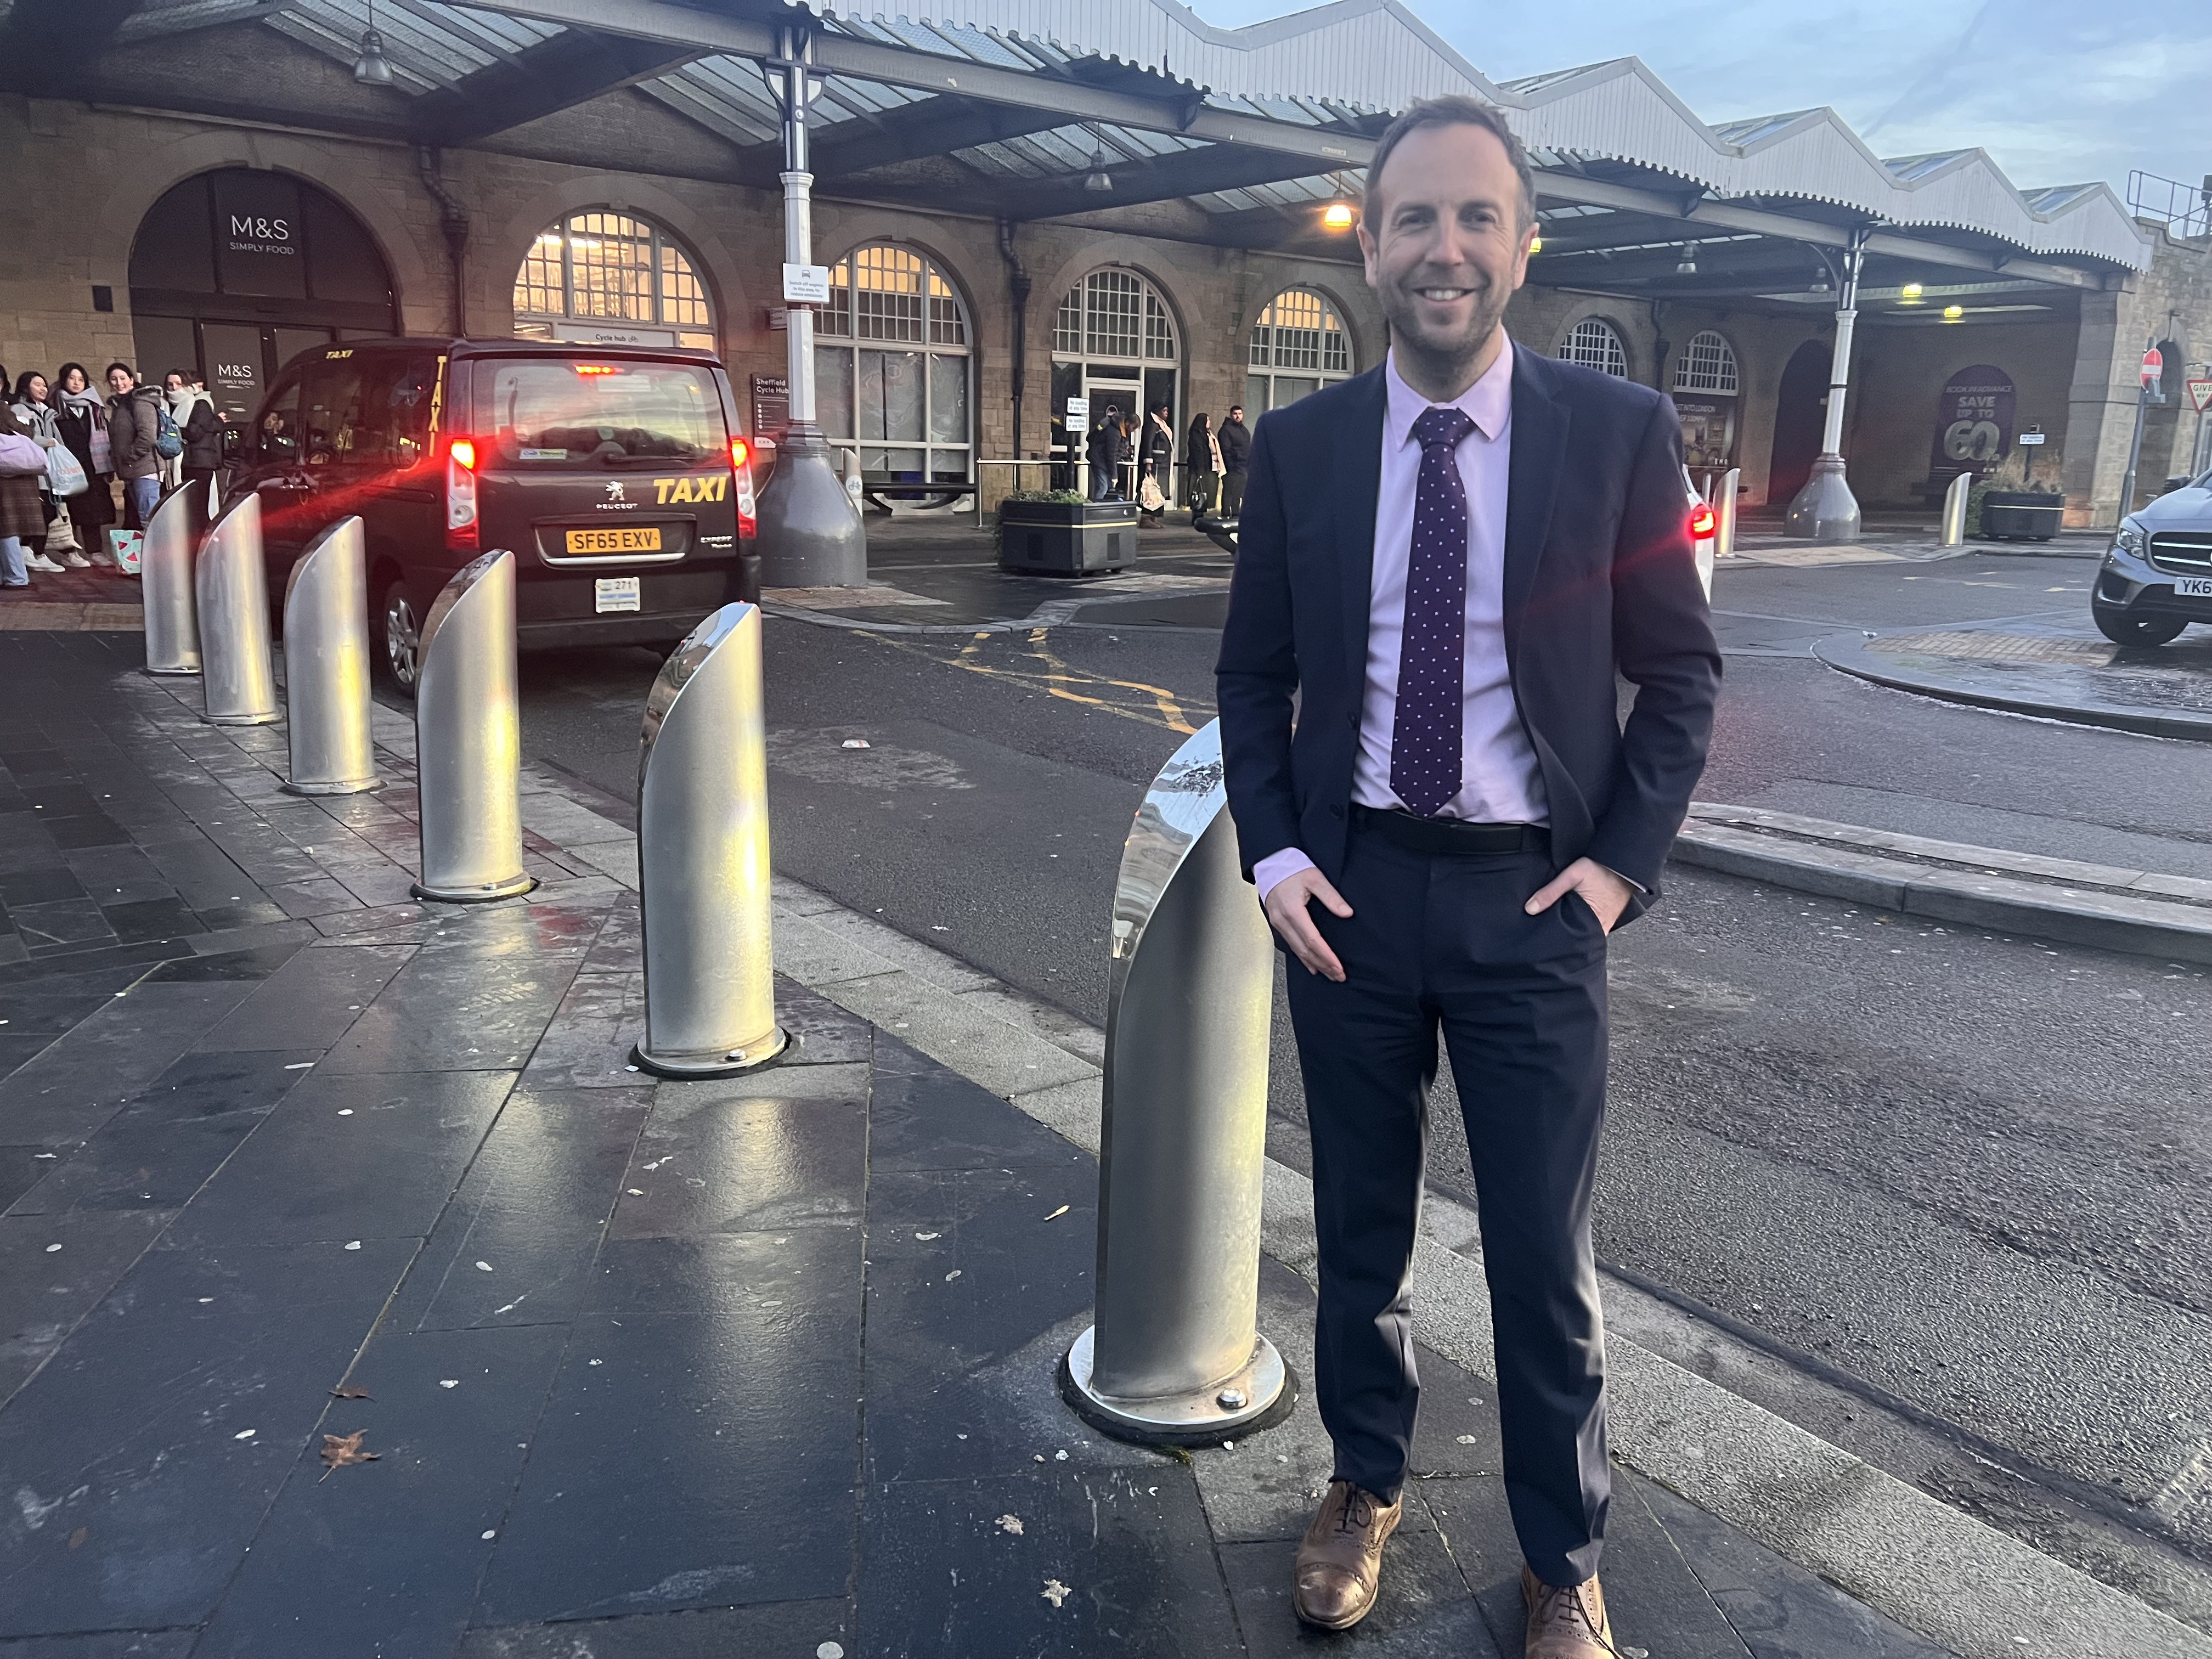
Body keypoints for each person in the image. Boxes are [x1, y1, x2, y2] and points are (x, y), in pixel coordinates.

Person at [1214, 96, 1720, 1657]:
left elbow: (1682, 676)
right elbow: (1254, 678)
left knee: (1538, 1261)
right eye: (1415, 219)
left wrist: (1618, 874)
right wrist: (1279, 852)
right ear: (1371, 247)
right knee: (1358, 1232)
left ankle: (1561, 1554)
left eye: (1476, 218)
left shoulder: (1616, 434)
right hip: (1354, 895)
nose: (1446, 249)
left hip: (1530, 906)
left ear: (1522, 245)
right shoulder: (1299, 449)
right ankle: (1364, 1483)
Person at [53, 362, 114, 564]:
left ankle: (95, 551)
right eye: (72, 378)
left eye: (81, 379)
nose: (77, 383)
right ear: (64, 380)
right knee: (68, 510)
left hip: (93, 465)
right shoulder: (55, 406)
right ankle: (69, 553)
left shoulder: (94, 407)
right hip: (67, 466)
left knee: (92, 509)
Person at [10, 371, 70, 573]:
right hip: (32, 469)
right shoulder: (18, 409)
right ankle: (31, 551)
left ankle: (34, 551)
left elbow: (58, 438)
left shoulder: (47, 411)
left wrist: (63, 454)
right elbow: (22, 435)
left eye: (44, 385)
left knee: (51, 510)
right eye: (37, 385)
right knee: (40, 511)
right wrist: (47, 443)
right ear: (26, 387)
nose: (43, 388)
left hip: (50, 470)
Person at [105, 363, 165, 532]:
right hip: (132, 471)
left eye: (123, 378)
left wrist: (128, 457)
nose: (119, 383)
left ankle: (159, 558)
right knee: (144, 519)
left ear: (132, 380)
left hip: (144, 470)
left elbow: (148, 437)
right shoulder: (120, 406)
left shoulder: (140, 402)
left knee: (149, 519)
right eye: (113, 379)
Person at [0, 396, 47, 591]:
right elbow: (24, 433)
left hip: (7, 478)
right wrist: (27, 424)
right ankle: (17, 577)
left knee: (5, 528)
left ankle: (10, 576)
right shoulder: (2, 409)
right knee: (8, 528)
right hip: (9, 481)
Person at [166, 368, 221, 502]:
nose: (174, 388)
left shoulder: (199, 403)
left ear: (187, 385)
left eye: (178, 384)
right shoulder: (170, 405)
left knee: (197, 504)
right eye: (170, 384)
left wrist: (173, 431)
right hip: (186, 461)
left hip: (199, 462)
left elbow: (195, 433)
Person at [1138, 399, 1175, 525]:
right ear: (1157, 411)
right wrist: (1148, 462)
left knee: (1160, 491)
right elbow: (1148, 443)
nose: (1166, 414)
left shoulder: (1162, 425)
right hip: (1156, 464)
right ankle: (1147, 517)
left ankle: (1155, 518)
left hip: (1163, 464)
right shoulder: (1152, 425)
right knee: (1152, 490)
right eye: (1164, 411)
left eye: (1167, 411)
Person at [1085, 403, 1127, 502]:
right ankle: (1096, 510)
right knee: (1103, 487)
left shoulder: (1116, 429)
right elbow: (1111, 454)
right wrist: (1114, 475)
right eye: (1134, 428)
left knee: (1107, 488)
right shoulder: (1115, 432)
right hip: (1100, 460)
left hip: (1101, 460)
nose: (1133, 431)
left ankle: (1104, 509)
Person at [1216, 403, 1251, 518]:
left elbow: (1247, 447)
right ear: (1231, 415)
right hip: (1232, 467)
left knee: (1238, 493)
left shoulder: (1244, 430)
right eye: (1235, 414)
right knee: (1229, 492)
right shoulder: (1226, 430)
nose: (1238, 416)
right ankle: (1226, 514)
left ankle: (1236, 514)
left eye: (1240, 414)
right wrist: (1230, 466)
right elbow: (1225, 450)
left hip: (1243, 467)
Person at [1186, 411, 1223, 515]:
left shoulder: (1208, 434)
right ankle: (1197, 515)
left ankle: (1201, 512)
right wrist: (1200, 470)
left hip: (1208, 467)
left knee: (1206, 492)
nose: (1209, 422)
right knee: (1198, 492)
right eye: (1208, 420)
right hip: (1199, 468)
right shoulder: (1196, 435)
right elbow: (1198, 452)